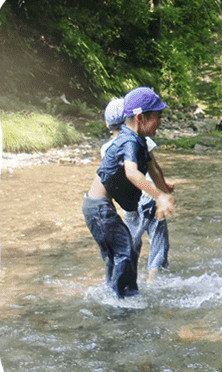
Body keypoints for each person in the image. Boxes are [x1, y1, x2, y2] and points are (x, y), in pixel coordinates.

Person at [82, 87, 176, 298]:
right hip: (98, 208)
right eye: (157, 117)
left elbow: (154, 168)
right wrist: (158, 196)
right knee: (124, 251)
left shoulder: (140, 140)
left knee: (125, 251)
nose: (160, 123)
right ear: (140, 117)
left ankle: (116, 293)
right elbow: (132, 173)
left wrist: (163, 190)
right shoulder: (128, 140)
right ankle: (123, 302)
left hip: (102, 208)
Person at [101, 97, 174, 284]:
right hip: (149, 195)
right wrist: (163, 189)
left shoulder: (106, 148)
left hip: (130, 201)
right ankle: (153, 278)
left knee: (132, 236)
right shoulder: (140, 139)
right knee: (157, 234)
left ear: (108, 123)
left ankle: (127, 274)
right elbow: (154, 167)